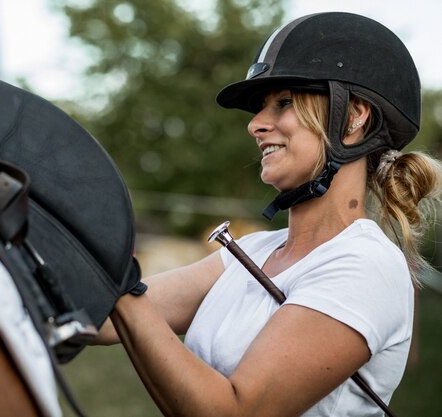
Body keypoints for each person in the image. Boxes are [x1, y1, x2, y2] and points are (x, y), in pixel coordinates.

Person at [93, 11, 442, 417]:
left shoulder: (365, 266)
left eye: (284, 103)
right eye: (261, 108)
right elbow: (101, 316)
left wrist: (126, 297)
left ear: (353, 117)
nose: (256, 125)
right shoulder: (255, 250)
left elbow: (235, 411)